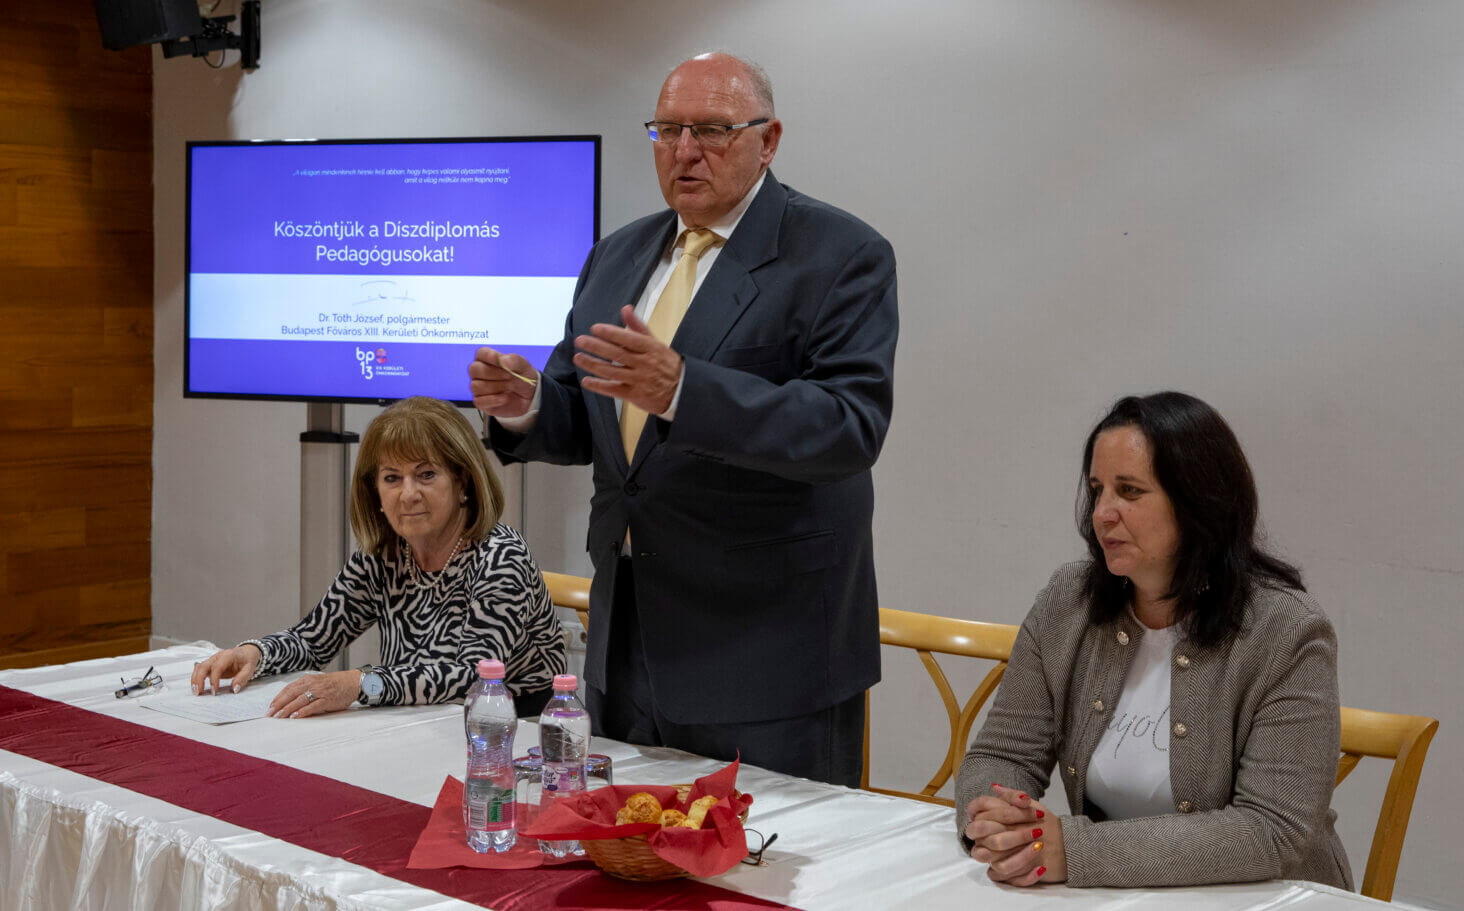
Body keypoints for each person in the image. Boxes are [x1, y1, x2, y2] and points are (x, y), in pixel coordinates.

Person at [468, 53, 897, 785]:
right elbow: (590, 420)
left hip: (767, 652)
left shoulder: (840, 254)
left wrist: (684, 391)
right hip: (625, 643)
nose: (685, 151)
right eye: (667, 131)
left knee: (765, 858)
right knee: (617, 847)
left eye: (712, 130)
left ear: (769, 139)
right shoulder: (616, 255)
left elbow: (848, 425)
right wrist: (528, 405)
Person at [956, 392, 1352, 889]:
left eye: (1129, 491)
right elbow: (1002, 755)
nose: (1103, 512)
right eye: (1097, 490)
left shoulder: (1286, 631)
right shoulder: (1068, 602)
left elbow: (1270, 831)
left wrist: (1075, 852)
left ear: (1197, 502)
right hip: (1117, 894)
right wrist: (995, 823)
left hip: (1267, 897)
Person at [190, 396, 565, 718]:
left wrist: (360, 683)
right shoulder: (383, 555)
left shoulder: (500, 556)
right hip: (414, 723)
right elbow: (313, 640)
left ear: (462, 480)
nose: (408, 494)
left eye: (426, 474)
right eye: (392, 478)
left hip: (516, 733)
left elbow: (473, 676)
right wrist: (254, 654)